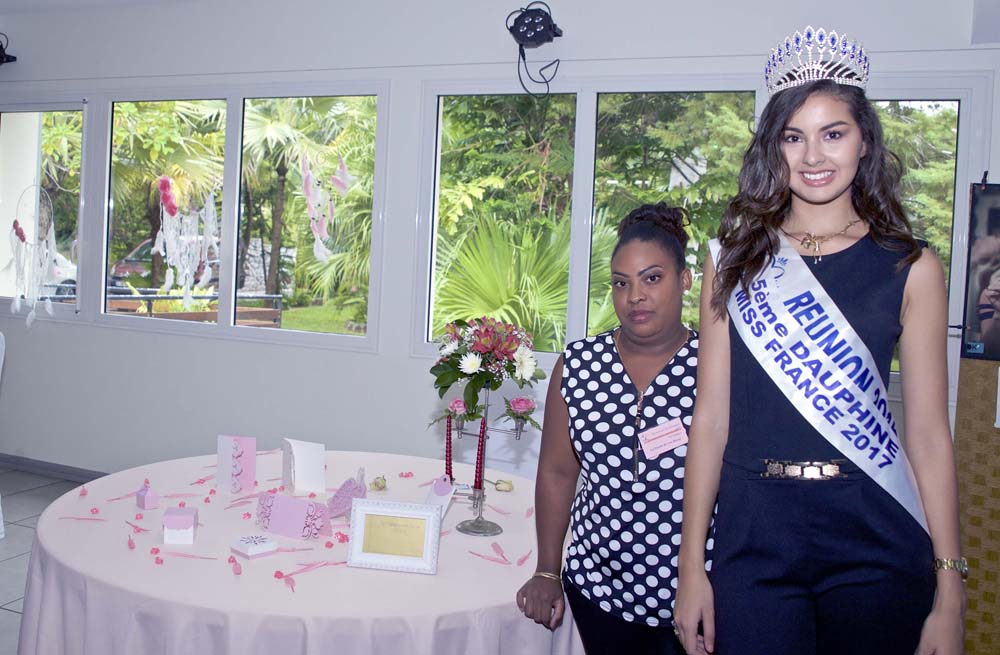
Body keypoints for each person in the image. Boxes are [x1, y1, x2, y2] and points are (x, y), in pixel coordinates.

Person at [674, 27, 966, 655]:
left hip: (873, 527)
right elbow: (711, 421)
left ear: (865, 142)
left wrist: (951, 587)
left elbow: (927, 435)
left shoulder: (912, 266)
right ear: (773, 148)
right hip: (754, 527)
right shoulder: (733, 262)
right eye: (793, 136)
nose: (813, 155)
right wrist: (690, 567)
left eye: (833, 134)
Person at [516, 203, 706, 654]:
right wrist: (548, 570)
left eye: (652, 278)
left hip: (690, 599)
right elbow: (557, 473)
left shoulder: (715, 367)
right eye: (621, 283)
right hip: (595, 592)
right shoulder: (579, 365)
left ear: (685, 280)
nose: (635, 296)